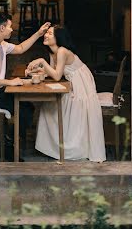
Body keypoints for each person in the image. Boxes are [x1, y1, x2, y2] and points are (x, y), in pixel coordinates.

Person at [0, 10, 50, 160]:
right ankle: (9, 147)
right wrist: (10, 82)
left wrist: (38, 33)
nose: (12, 29)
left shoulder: (0, 44)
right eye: (10, 26)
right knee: (24, 111)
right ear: (2, 28)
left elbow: (20, 48)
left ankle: (10, 141)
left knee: (27, 107)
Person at [26, 25, 106, 162]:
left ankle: (69, 147)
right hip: (70, 81)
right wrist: (35, 71)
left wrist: (41, 61)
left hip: (80, 82)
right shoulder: (53, 52)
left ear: (58, 37)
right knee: (48, 105)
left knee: (57, 103)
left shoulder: (62, 51)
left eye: (50, 33)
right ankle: (54, 147)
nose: (46, 35)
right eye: (46, 33)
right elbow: (53, 72)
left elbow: (56, 76)